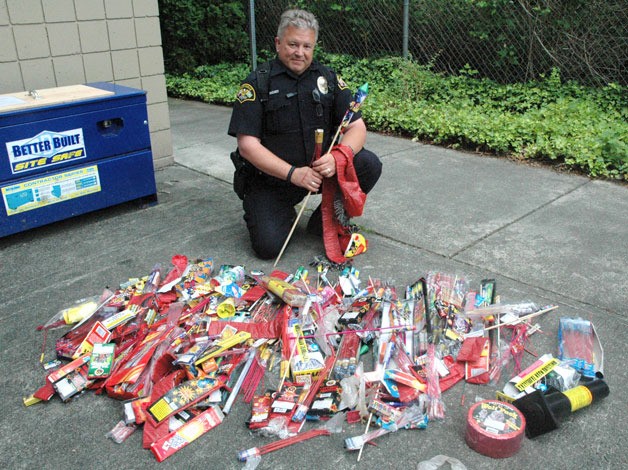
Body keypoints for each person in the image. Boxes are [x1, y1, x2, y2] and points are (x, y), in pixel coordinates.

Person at [228, 8, 382, 260]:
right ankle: (280, 213)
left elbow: (356, 127)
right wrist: (294, 174)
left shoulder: (328, 79)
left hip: (320, 174)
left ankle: (326, 220)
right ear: (278, 43)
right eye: (293, 44)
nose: (300, 52)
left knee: (368, 164)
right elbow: (247, 145)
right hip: (273, 182)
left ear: (314, 47)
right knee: (267, 248)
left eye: (307, 46)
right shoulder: (258, 83)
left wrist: (338, 157)